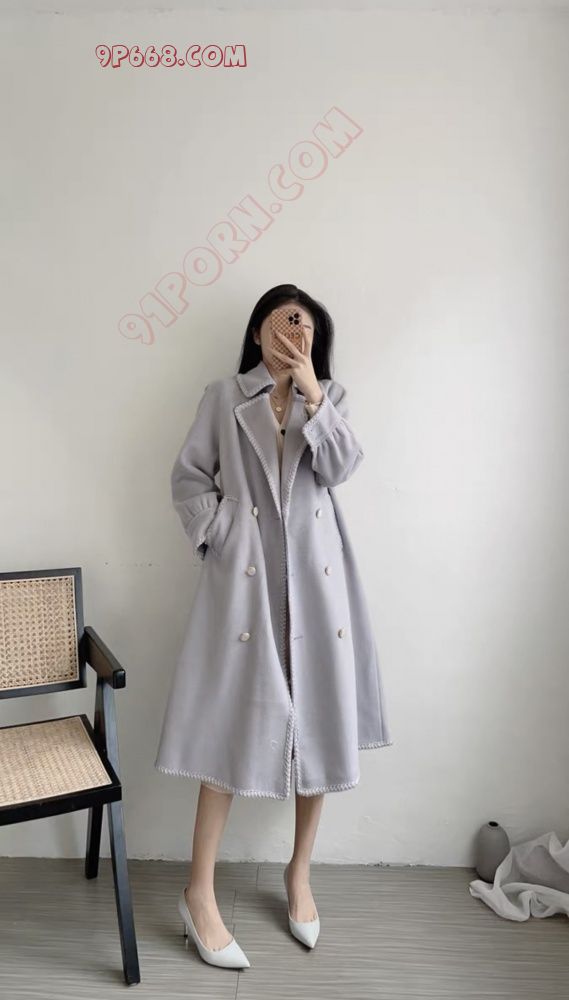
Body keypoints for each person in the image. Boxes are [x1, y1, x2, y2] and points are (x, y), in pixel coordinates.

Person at [154, 283, 392, 968]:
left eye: (305, 328)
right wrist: (223, 531)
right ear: (258, 332)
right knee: (230, 722)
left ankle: (299, 873)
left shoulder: (331, 398)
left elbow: (340, 467)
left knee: (318, 720)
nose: (293, 335)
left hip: (317, 585)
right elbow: (188, 478)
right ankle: (198, 892)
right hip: (245, 587)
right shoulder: (222, 398)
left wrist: (313, 392)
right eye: (282, 324)